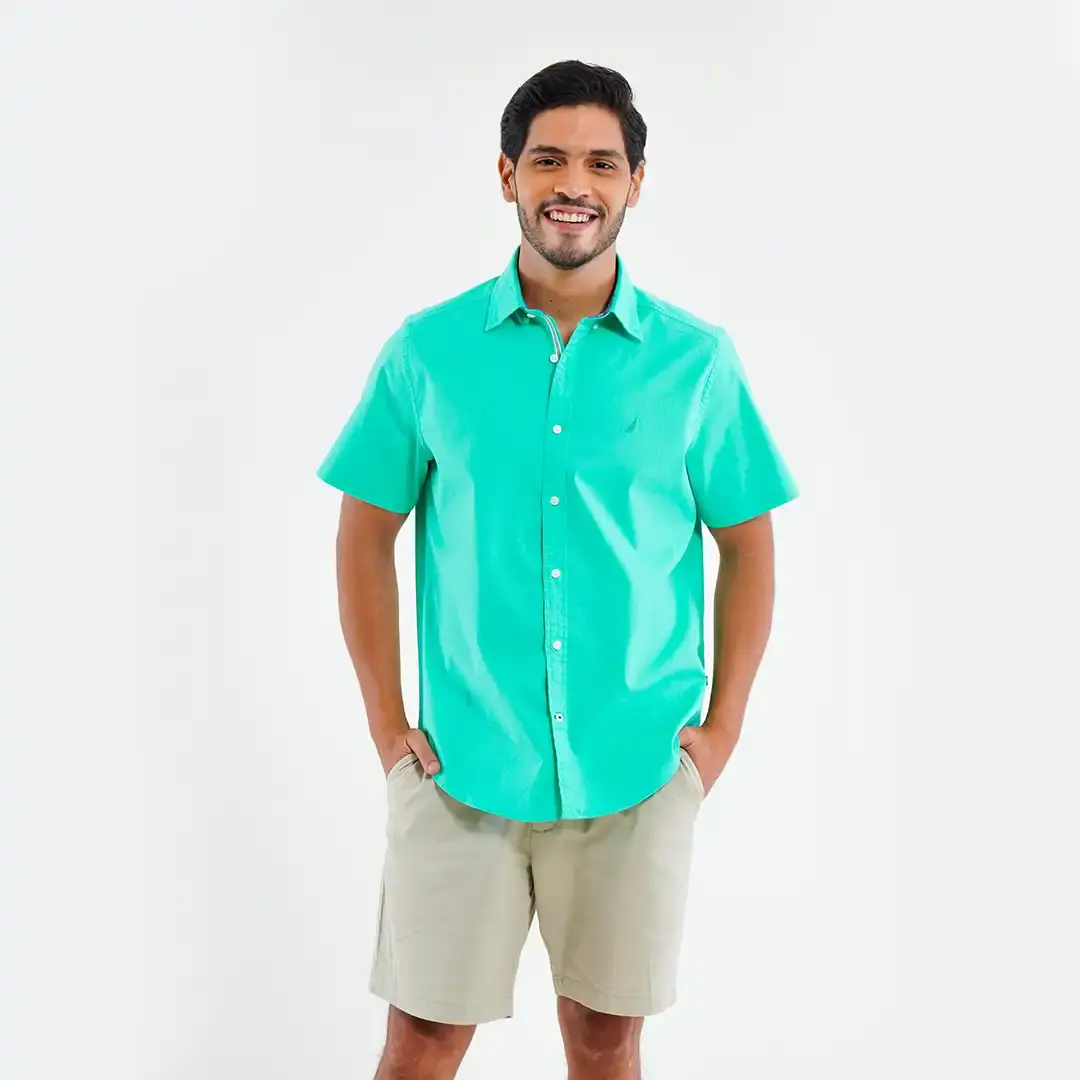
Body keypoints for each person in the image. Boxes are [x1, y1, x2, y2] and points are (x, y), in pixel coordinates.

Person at [317, 59, 799, 1080]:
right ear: (507, 175)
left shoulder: (697, 361)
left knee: (605, 1039)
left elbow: (748, 542)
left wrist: (720, 733)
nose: (573, 183)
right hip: (458, 768)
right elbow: (363, 534)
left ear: (635, 183)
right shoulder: (428, 352)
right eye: (547, 160)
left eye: (600, 162)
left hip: (637, 769)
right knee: (419, 1042)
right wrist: (386, 725)